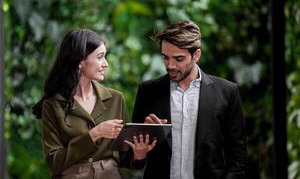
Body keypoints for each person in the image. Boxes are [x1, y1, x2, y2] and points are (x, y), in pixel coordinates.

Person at [131, 20, 247, 179]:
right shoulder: (148, 91)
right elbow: (133, 160)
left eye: (178, 59)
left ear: (196, 55)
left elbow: (237, 157)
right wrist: (139, 153)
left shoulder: (227, 92)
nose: (170, 65)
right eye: (165, 57)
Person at [32, 29, 154, 179]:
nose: (106, 64)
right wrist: (95, 133)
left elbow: (125, 159)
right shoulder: (53, 105)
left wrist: (139, 155)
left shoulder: (116, 99)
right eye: (100, 57)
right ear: (80, 62)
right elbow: (54, 162)